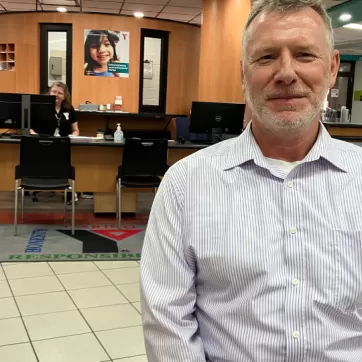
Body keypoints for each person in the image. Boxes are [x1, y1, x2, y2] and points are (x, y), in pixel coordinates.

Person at [140, 0, 362, 361]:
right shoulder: (186, 184)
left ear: (333, 68)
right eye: (266, 57)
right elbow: (168, 324)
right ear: (243, 73)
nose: (286, 73)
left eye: (305, 54)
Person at [31, 81, 79, 202]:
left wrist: (71, 137)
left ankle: (70, 189)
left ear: (64, 96)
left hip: (62, 145)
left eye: (60, 93)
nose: (56, 95)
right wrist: (36, 136)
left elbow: (76, 130)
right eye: (54, 92)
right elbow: (28, 128)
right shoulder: (39, 107)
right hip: (42, 145)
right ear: (49, 92)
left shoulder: (69, 109)